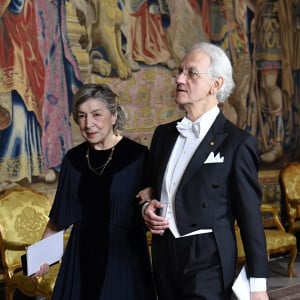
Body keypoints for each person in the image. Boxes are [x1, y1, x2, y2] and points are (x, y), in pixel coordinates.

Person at [137, 42, 269, 300]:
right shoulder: (163, 136)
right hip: (164, 252)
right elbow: (146, 191)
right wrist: (145, 208)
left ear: (216, 85)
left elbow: (250, 218)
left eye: (191, 73)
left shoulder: (237, 143)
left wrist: (258, 286)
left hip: (208, 258)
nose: (179, 79)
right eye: (180, 71)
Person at [35, 83, 156, 300]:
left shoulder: (138, 156)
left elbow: (151, 208)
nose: (88, 123)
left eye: (96, 115)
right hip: (81, 257)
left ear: (114, 115)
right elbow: (59, 218)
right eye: (81, 116)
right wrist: (39, 259)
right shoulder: (73, 159)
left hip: (124, 258)